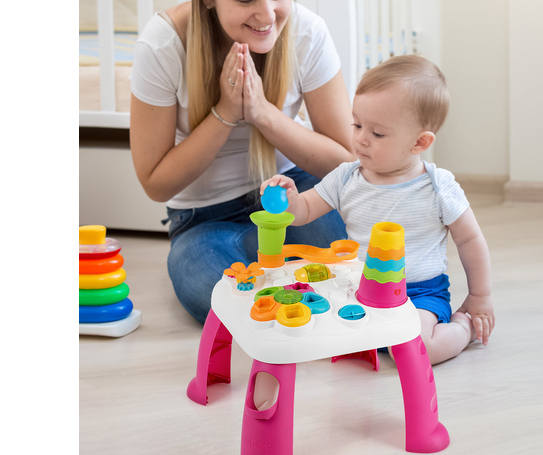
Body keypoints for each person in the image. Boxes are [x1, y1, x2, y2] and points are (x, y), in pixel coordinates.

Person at [129, 0, 355, 324]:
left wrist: (263, 113)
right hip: (203, 220)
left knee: (354, 263)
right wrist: (225, 113)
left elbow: (345, 162)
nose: (267, 15)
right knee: (213, 295)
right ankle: (293, 301)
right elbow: (155, 183)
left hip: (294, 194)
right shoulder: (162, 44)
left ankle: (292, 298)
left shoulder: (307, 31)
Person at [261, 55, 495, 365]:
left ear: (419, 142)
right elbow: (304, 211)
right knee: (322, 333)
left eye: (377, 133)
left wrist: (480, 297)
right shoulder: (346, 177)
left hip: (419, 293)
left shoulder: (438, 187)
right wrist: (291, 198)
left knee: (417, 351)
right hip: (359, 287)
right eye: (357, 124)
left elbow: (470, 240)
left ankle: (461, 329)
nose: (360, 139)